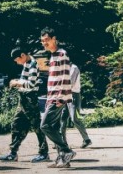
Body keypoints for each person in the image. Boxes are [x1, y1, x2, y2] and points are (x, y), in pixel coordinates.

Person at [0, 47, 50, 163]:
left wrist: (16, 82)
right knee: (17, 124)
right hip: (24, 99)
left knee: (37, 126)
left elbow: (31, 84)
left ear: (22, 55)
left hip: (29, 98)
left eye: (17, 60)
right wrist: (19, 82)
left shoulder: (33, 64)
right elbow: (26, 81)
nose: (17, 62)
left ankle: (44, 153)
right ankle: (13, 153)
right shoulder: (27, 63)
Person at [39, 28, 77, 168]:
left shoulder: (62, 54)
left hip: (57, 98)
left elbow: (65, 78)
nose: (44, 43)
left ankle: (66, 151)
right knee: (54, 127)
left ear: (54, 39)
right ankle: (63, 160)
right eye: (42, 41)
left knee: (44, 125)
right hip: (52, 97)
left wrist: (60, 98)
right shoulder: (53, 55)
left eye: (47, 40)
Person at [60, 63, 92, 149]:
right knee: (62, 118)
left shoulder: (74, 68)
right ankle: (62, 142)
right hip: (64, 95)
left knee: (74, 119)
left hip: (73, 95)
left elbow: (71, 83)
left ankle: (86, 139)